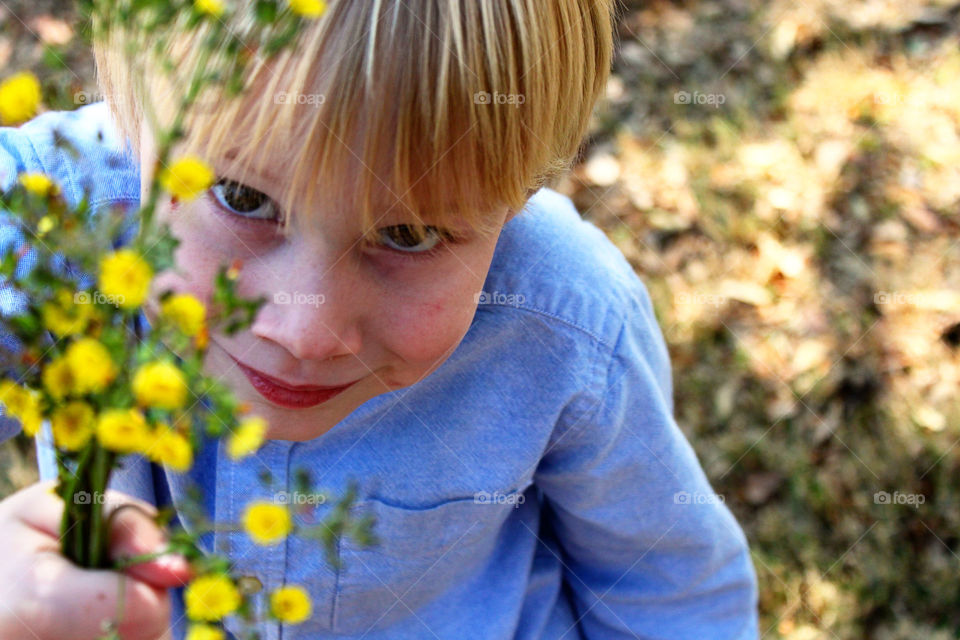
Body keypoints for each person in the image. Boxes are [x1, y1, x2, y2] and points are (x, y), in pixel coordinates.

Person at [0, 1, 759, 638]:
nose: (305, 333)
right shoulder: (51, 215)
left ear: (520, 193)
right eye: (243, 199)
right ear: (137, 112)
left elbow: (669, 587)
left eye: (407, 235)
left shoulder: (563, 317)